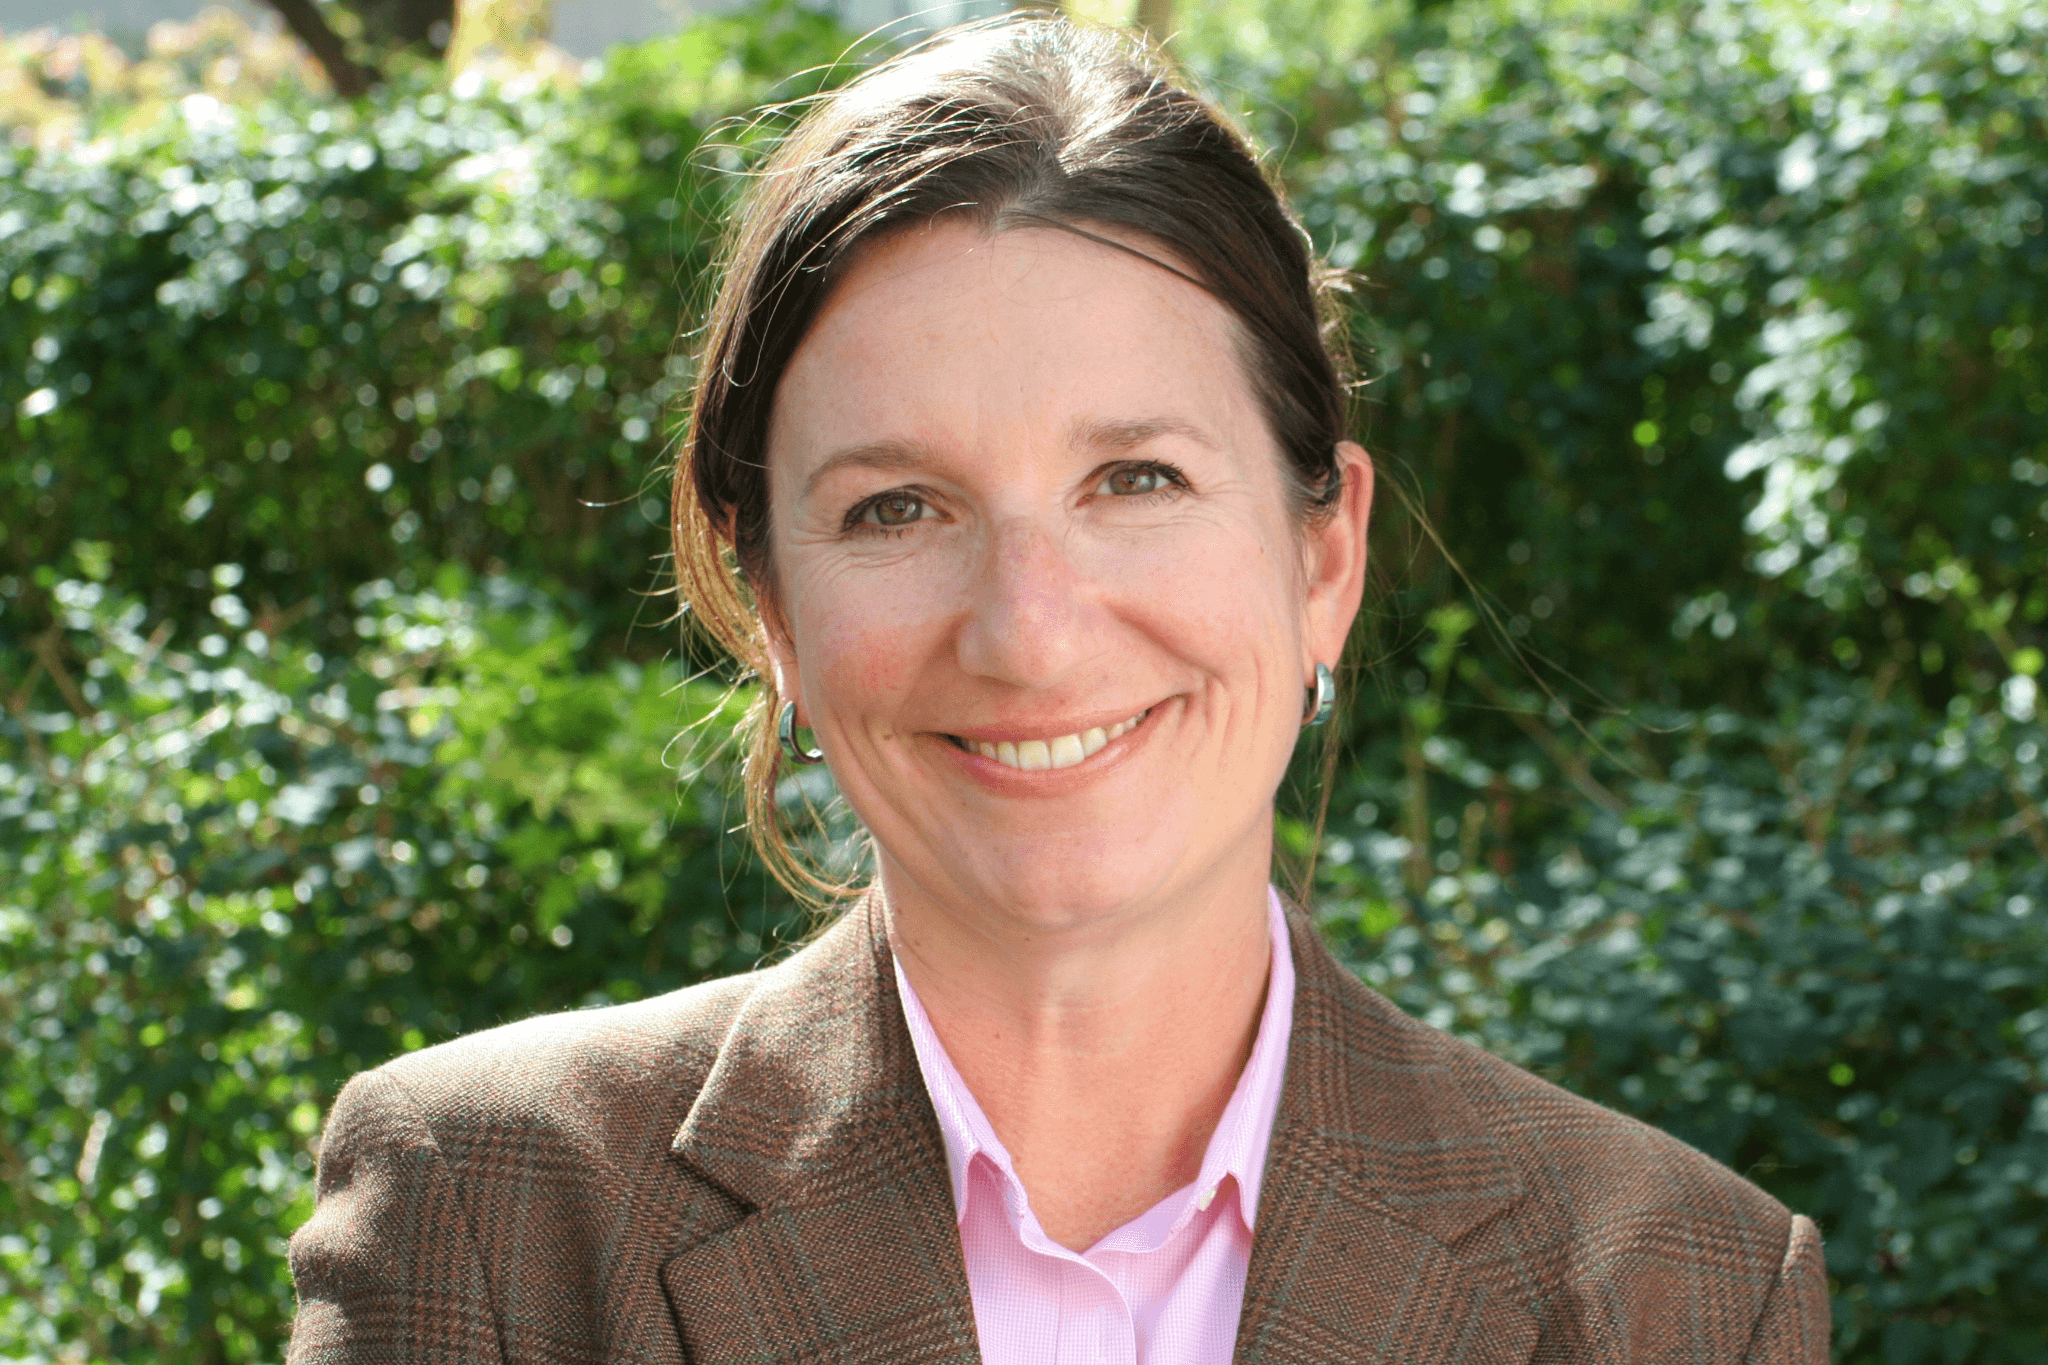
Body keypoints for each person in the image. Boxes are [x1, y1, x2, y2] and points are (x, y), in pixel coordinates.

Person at [285, 17, 1828, 1364]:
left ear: (1324, 555)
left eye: (1136, 477)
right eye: (898, 507)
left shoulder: (1676, 1289)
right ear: (772, 610)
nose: (1026, 631)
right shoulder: (488, 1209)